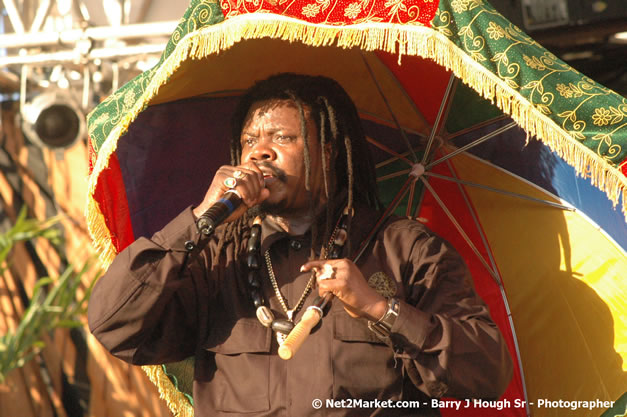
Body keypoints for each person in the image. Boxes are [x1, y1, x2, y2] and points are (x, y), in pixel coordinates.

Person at [88, 73, 513, 416]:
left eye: (282, 139)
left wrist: (380, 310)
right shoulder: (215, 253)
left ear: (327, 152)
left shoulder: (406, 249)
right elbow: (115, 325)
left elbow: (486, 374)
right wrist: (200, 219)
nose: (260, 153)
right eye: (250, 141)